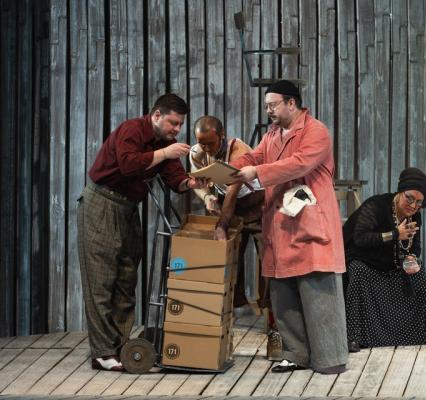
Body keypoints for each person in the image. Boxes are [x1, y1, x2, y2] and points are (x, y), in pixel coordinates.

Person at [77, 93, 204, 371]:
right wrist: (165, 153)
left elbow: (175, 178)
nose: (177, 129)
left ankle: (119, 346)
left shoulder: (166, 142)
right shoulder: (132, 129)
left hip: (128, 208)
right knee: (101, 280)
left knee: (126, 278)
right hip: (103, 203)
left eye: (180, 124)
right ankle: (102, 352)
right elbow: (128, 164)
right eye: (173, 123)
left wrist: (192, 183)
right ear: (156, 115)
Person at [230, 80, 348, 374]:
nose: (268, 110)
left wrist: (256, 172)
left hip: (309, 222)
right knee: (284, 294)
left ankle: (330, 358)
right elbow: (255, 156)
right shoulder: (272, 134)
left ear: (291, 103)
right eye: (266, 106)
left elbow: (299, 164)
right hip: (280, 223)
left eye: (273, 105)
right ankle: (295, 353)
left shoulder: (315, 131)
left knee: (318, 293)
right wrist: (232, 168)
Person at [188, 115, 282, 360]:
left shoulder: (238, 151)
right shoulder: (197, 152)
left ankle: (273, 326)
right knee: (229, 263)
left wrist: (221, 225)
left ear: (222, 136)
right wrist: (207, 197)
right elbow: (198, 181)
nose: (206, 148)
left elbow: (232, 191)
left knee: (268, 266)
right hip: (232, 210)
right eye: (202, 143)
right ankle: (230, 319)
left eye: (210, 143)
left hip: (257, 208)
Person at [343, 167, 426, 352]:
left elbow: (416, 246)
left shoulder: (414, 215)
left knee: (418, 271)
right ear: (400, 192)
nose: (413, 205)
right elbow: (360, 238)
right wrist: (394, 234)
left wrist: (411, 258)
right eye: (409, 198)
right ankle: (353, 336)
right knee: (357, 270)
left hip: (391, 264)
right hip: (365, 261)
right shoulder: (376, 206)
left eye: (419, 202)